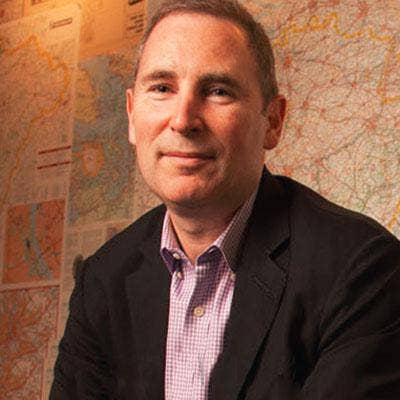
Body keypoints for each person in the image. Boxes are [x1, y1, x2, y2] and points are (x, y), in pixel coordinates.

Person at [50, 0, 400, 399]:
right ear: (131, 115)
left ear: (273, 122)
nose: (183, 120)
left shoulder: (363, 272)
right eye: (162, 88)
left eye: (218, 91)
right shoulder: (103, 278)